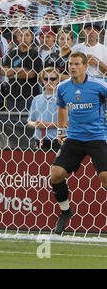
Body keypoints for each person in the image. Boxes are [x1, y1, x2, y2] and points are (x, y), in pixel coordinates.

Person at [50, 51, 107, 234]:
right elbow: (62, 108)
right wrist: (61, 133)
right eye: (70, 64)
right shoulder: (63, 87)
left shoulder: (99, 85)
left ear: (85, 66)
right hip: (74, 138)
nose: (72, 67)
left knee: (105, 177)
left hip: (97, 136)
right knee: (56, 174)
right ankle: (65, 212)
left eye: (76, 64)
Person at [1, 27, 42, 112]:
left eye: (27, 35)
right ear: (18, 38)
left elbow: (31, 74)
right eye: (22, 35)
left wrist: (12, 74)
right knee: (11, 123)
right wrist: (19, 70)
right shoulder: (12, 53)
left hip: (28, 96)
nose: (24, 38)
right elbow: (3, 71)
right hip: (11, 96)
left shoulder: (35, 54)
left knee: (25, 123)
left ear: (32, 37)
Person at [27, 67, 61, 151]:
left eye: (53, 79)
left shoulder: (64, 99)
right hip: (39, 141)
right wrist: (36, 124)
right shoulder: (37, 99)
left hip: (57, 141)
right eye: (46, 79)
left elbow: (68, 123)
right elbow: (29, 122)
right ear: (42, 80)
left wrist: (48, 124)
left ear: (58, 80)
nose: (49, 81)